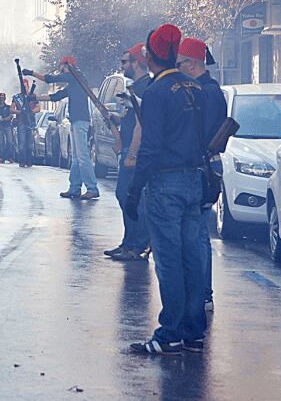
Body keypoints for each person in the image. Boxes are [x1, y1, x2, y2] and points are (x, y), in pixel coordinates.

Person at [125, 24, 209, 356]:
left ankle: (170, 332)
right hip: (193, 181)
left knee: (169, 260)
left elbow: (150, 146)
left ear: (150, 54)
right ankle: (193, 331)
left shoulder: (157, 93)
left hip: (165, 184)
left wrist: (135, 189)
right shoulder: (196, 88)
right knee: (192, 257)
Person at [178, 37, 227, 312]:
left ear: (193, 63)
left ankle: (203, 294)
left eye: (180, 63)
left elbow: (204, 133)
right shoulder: (206, 89)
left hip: (203, 167)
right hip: (204, 166)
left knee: (197, 234)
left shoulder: (207, 92)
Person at [106, 43, 154, 262]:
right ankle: (129, 242)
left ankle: (138, 244)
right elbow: (131, 118)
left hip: (134, 152)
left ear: (136, 62)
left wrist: (131, 154)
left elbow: (141, 125)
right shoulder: (136, 87)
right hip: (128, 149)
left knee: (132, 197)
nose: (122, 66)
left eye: (125, 61)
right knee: (125, 196)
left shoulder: (145, 88)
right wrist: (116, 120)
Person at [30, 60, 99, 199]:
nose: (59, 70)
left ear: (67, 65)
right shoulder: (75, 82)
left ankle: (92, 188)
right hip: (76, 121)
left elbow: (50, 79)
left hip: (80, 121)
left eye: (61, 67)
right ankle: (74, 188)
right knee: (76, 157)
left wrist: (32, 73)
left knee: (83, 156)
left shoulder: (75, 75)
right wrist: (36, 97)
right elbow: (56, 97)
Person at [12, 80, 39, 168]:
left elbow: (38, 108)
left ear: (28, 86)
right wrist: (20, 112)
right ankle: (22, 161)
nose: (24, 88)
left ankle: (29, 160)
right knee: (22, 143)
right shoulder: (17, 97)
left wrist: (30, 112)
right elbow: (11, 109)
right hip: (21, 122)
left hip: (30, 122)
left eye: (25, 86)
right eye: (22, 86)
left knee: (30, 143)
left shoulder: (33, 96)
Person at [0, 93, 13, 163]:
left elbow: (10, 116)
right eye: (0, 98)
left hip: (7, 126)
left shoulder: (8, 107)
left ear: (5, 99)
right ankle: (2, 157)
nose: (1, 99)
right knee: (1, 143)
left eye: (3, 98)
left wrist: (3, 119)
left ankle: (9, 157)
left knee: (10, 142)